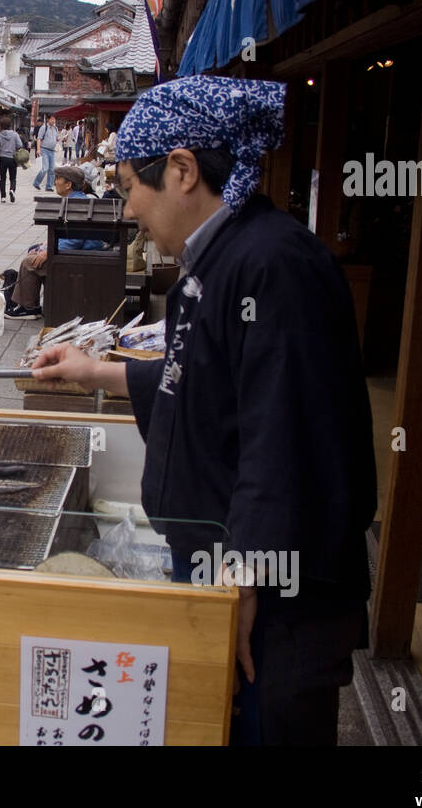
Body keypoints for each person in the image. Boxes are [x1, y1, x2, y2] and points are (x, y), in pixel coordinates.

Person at [31, 76, 377, 745]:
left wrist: (243, 582)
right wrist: (97, 371)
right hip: (232, 567)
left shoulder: (273, 265)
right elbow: (211, 384)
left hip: (277, 596)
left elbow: (283, 440)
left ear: (184, 170)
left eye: (132, 184)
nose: (128, 208)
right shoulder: (220, 259)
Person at [4, 167, 107, 320]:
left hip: (80, 255)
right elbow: (69, 236)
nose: (55, 182)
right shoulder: (77, 200)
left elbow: (74, 240)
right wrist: (44, 247)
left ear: (68, 185)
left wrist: (48, 252)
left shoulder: (77, 204)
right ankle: (34, 304)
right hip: (82, 251)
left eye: (58, 178)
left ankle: (29, 308)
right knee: (34, 251)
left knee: (29, 263)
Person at [0, 116, 23, 203]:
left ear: (1, 126)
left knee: (2, 178)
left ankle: (3, 196)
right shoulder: (15, 135)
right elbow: (20, 145)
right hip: (12, 158)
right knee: (13, 177)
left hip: (2, 158)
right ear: (10, 125)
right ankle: (12, 190)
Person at [32, 115, 58, 191]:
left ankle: (49, 186)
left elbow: (56, 138)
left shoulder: (55, 128)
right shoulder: (43, 128)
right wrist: (38, 149)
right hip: (44, 150)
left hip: (52, 151)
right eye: (52, 119)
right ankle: (36, 183)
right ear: (48, 120)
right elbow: (39, 139)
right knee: (45, 168)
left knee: (52, 169)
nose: (53, 121)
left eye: (54, 119)